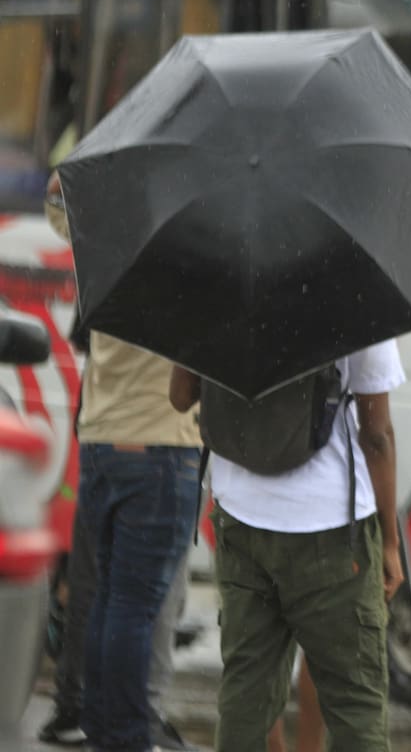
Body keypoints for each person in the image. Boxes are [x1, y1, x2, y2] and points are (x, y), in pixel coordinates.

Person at [169, 339, 405, 752]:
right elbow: (376, 433)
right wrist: (390, 540)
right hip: (332, 526)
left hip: (240, 517)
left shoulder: (213, 298)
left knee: (246, 695)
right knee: (355, 702)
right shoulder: (357, 304)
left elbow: (180, 396)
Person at [39, 171, 203, 752]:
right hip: (159, 446)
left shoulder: (105, 230)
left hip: (103, 440)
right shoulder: (191, 246)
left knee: (110, 600)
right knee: (134, 608)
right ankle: (128, 737)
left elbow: (55, 194)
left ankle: (104, 728)